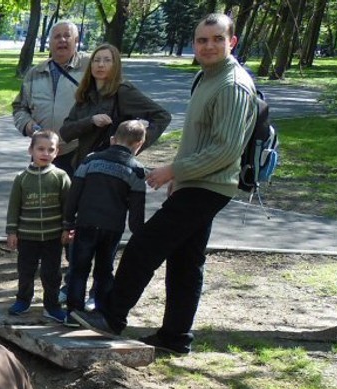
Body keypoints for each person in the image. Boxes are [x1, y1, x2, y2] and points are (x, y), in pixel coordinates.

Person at [73, 14, 259, 357]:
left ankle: (111, 317)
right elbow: (201, 140)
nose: (208, 45)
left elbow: (225, 150)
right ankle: (175, 337)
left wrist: (173, 170)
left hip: (211, 184)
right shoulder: (209, 78)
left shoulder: (232, 85)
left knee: (145, 245)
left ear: (231, 42)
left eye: (217, 39)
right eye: (202, 40)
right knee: (186, 261)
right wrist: (182, 178)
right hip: (198, 183)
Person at [63, 120, 147, 317]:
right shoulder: (136, 170)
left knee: (78, 268)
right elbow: (137, 207)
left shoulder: (90, 160)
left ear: (112, 139)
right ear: (139, 144)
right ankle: (101, 312)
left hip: (85, 223)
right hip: (112, 228)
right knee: (104, 270)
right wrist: (138, 232)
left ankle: (73, 313)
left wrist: (68, 221)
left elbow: (74, 193)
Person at [58, 44, 170, 170]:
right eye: (96, 60)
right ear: (91, 65)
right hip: (82, 167)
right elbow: (65, 132)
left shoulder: (123, 91)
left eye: (107, 60)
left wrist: (129, 149)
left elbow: (162, 117)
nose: (101, 65)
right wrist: (91, 121)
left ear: (115, 65)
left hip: (111, 171)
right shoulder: (86, 93)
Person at [4, 130, 72, 323]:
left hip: (53, 237)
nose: (45, 153)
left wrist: (67, 228)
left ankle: (51, 306)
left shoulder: (61, 176)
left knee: (52, 273)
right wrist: (12, 231)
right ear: (30, 150)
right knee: (25, 270)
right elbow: (13, 207)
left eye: (51, 150)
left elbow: (68, 206)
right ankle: (23, 300)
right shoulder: (22, 178)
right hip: (27, 236)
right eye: (40, 149)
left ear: (57, 152)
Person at [11, 20, 87, 172]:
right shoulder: (35, 73)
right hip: (42, 153)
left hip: (77, 151)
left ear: (76, 40)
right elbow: (19, 107)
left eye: (67, 36)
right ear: (50, 42)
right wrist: (27, 125)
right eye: (57, 36)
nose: (62, 40)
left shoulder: (89, 68)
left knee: (72, 195)